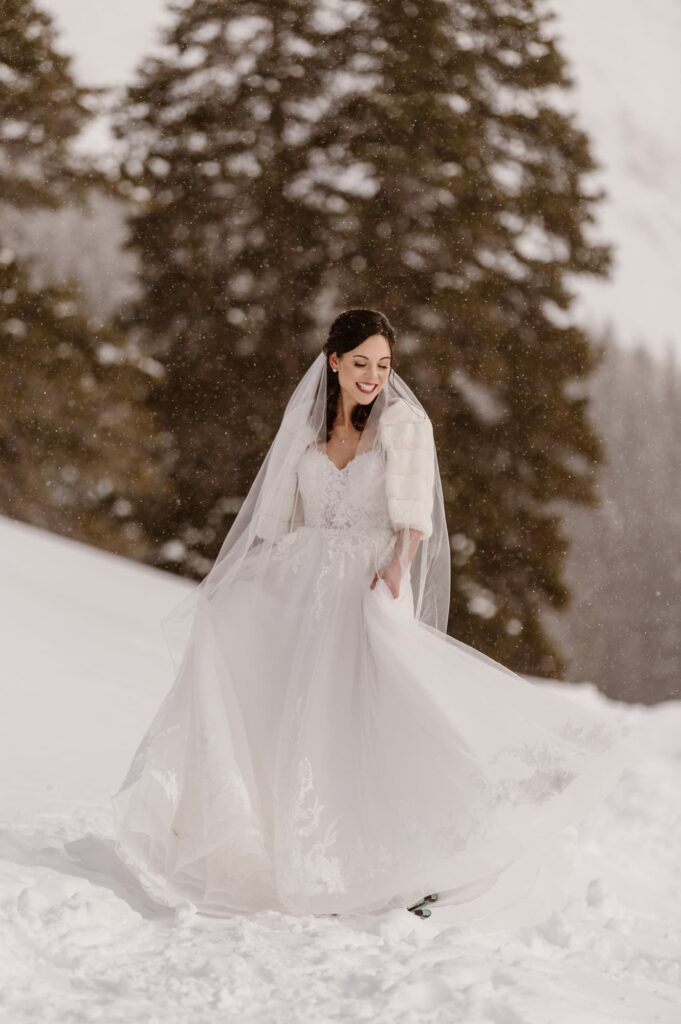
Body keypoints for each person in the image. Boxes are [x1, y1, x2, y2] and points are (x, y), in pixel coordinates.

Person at [111, 308, 640, 927]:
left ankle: (443, 844)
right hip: (304, 582)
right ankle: (296, 849)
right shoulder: (306, 432)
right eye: (360, 363)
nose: (372, 377)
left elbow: (414, 513)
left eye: (383, 365)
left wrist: (398, 563)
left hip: (367, 580)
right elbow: (278, 522)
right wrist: (238, 587)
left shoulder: (403, 425)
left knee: (387, 710)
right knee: (302, 716)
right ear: (333, 362)